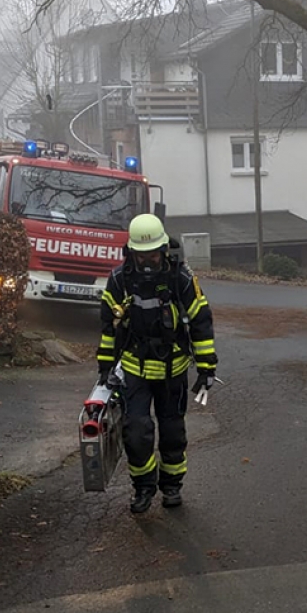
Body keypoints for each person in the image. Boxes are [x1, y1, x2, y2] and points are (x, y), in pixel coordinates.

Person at [96, 214, 216, 514]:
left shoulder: (182, 279)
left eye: (152, 254)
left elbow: (201, 322)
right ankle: (143, 488)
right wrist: (105, 367)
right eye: (141, 254)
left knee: (173, 432)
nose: (147, 260)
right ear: (131, 252)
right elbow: (109, 328)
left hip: (173, 370)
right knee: (136, 431)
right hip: (134, 369)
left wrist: (206, 369)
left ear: (164, 249)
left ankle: (172, 486)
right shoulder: (119, 280)